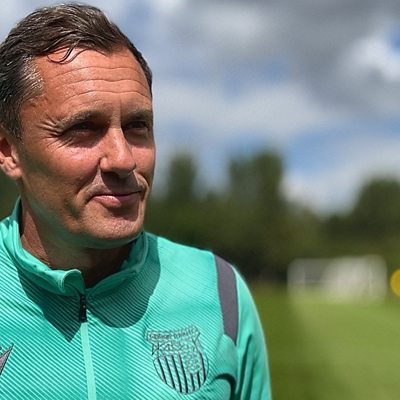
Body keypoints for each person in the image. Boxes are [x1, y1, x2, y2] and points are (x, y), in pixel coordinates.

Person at [0, 4, 271, 399]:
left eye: (137, 126)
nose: (124, 159)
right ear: (9, 151)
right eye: (83, 128)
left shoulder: (219, 291)